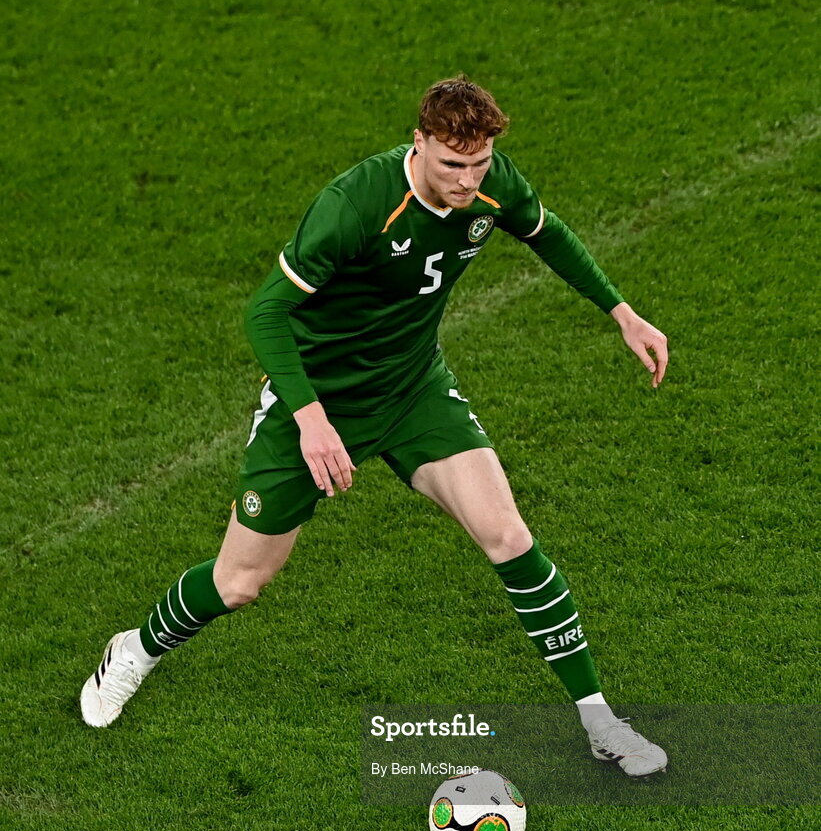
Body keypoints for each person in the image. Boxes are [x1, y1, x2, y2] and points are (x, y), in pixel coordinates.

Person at [81, 76, 668, 777]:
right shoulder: (354, 206)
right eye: (452, 165)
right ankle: (134, 652)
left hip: (414, 388)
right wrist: (310, 420)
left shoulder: (491, 182)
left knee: (508, 536)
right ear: (417, 142)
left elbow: (548, 234)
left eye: (478, 164)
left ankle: (598, 719)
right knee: (240, 582)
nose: (466, 180)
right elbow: (264, 314)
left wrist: (620, 312)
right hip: (318, 399)